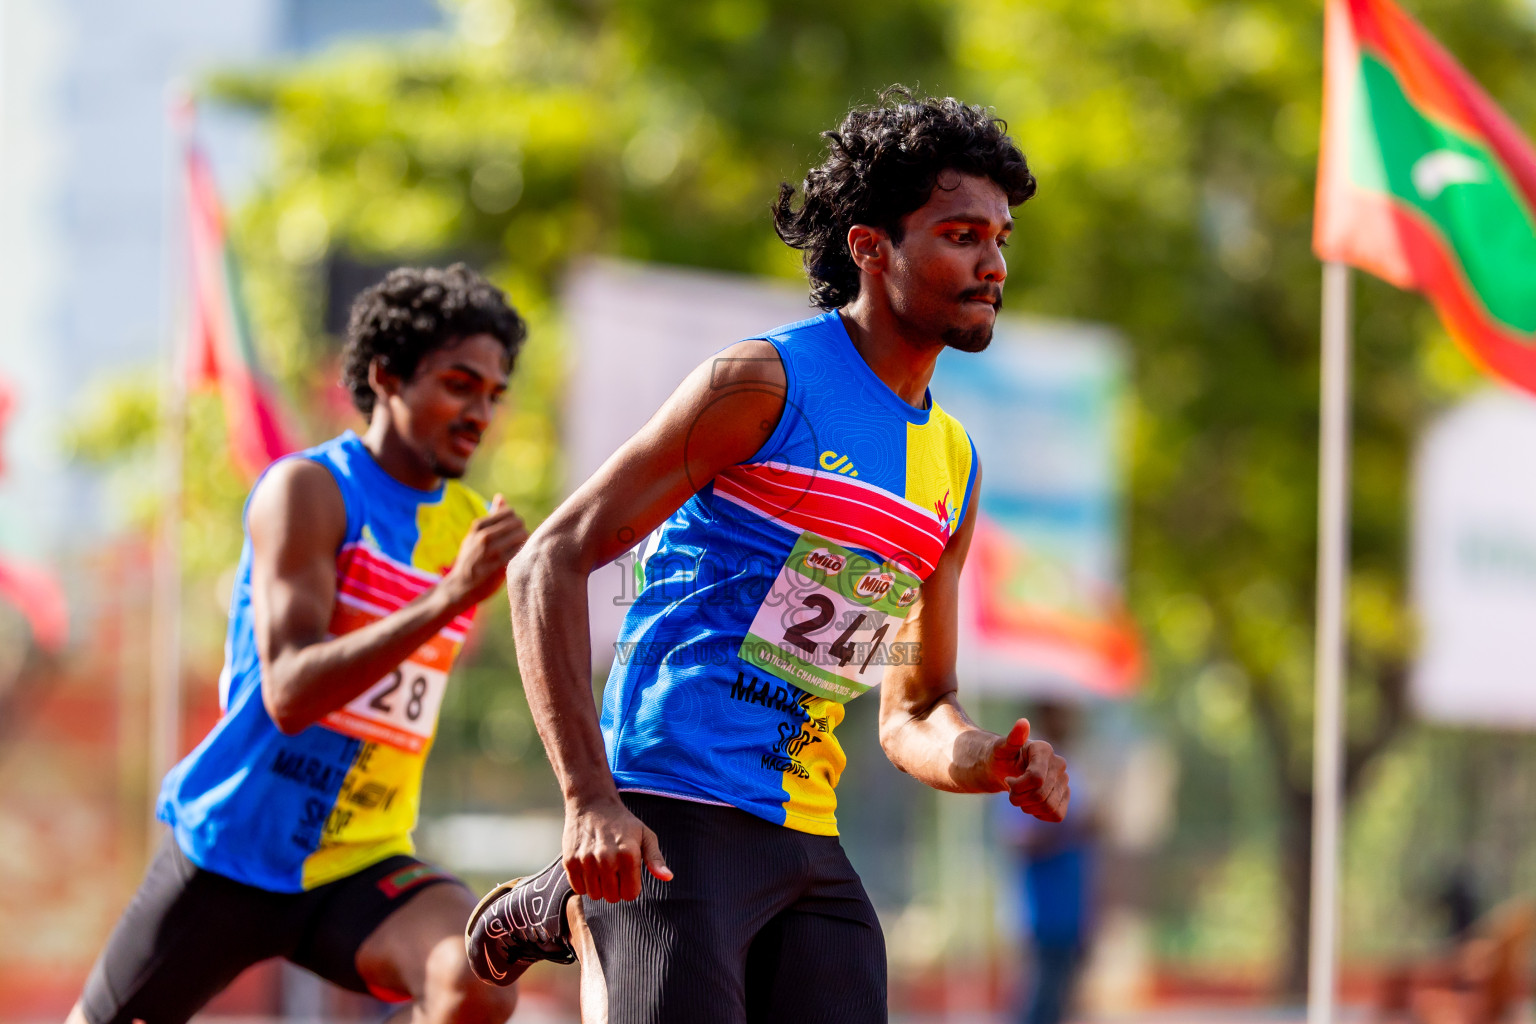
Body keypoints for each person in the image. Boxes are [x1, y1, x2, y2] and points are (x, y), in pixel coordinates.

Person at [467, 87, 1071, 1024]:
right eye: (960, 234)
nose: (992, 262)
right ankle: (580, 893)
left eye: (999, 239)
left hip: (805, 836)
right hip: (669, 807)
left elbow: (912, 706)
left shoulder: (954, 463)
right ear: (872, 248)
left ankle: (560, 901)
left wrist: (984, 756)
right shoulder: (763, 382)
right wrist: (589, 800)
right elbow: (546, 561)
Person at [70, 265, 531, 1024]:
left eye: (492, 394)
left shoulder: (474, 524)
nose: (480, 411)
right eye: (458, 384)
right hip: (235, 847)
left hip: (361, 856)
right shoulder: (309, 491)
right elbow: (289, 694)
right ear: (386, 376)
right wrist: (448, 598)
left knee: (476, 982)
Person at [996, 701, 1098, 1024]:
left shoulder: (1071, 766)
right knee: (1041, 1001)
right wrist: (1068, 826)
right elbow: (1019, 839)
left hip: (1071, 906)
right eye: (1062, 710)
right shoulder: (1026, 767)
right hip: (1042, 909)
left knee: (1061, 1001)